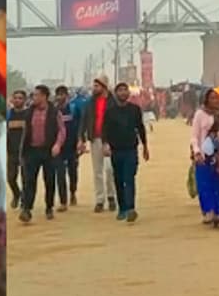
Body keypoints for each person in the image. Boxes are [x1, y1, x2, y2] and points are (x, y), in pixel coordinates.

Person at [102, 82, 149, 222]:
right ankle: (122, 208)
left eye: (125, 90)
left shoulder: (134, 110)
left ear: (128, 93)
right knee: (118, 179)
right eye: (120, 91)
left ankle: (130, 208)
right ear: (116, 94)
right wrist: (105, 144)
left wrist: (145, 146)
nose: (123, 93)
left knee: (129, 178)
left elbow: (140, 128)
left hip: (131, 149)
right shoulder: (110, 111)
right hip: (116, 150)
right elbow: (105, 130)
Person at [18, 85, 64, 222]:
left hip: (48, 151)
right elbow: (24, 133)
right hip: (32, 151)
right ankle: (27, 209)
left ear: (44, 96)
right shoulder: (28, 112)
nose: (34, 98)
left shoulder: (55, 112)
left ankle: (49, 207)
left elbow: (62, 130)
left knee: (49, 180)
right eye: (33, 95)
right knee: (29, 181)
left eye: (37, 95)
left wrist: (58, 144)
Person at [191, 88, 219, 227]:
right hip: (204, 154)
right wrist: (196, 152)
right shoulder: (200, 114)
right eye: (212, 98)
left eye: (217, 98)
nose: (215, 100)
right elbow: (194, 135)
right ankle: (209, 211)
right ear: (206, 99)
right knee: (205, 184)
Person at [80, 75, 118, 213]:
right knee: (97, 171)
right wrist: (81, 138)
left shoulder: (113, 102)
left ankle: (111, 196)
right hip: (95, 138)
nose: (93, 88)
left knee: (109, 170)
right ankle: (100, 200)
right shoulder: (90, 102)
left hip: (110, 140)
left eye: (96, 86)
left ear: (104, 86)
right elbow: (84, 120)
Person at [53, 85, 81, 212]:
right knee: (60, 174)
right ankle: (63, 201)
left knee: (73, 172)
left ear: (66, 96)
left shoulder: (74, 109)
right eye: (58, 95)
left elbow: (80, 125)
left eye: (62, 94)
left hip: (72, 146)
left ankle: (73, 192)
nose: (60, 97)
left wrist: (81, 141)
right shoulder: (53, 110)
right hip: (59, 147)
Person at [6, 89, 27, 209]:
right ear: (12, 100)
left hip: (25, 152)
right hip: (11, 151)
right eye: (16, 98)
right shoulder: (8, 115)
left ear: (24, 100)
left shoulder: (28, 115)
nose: (18, 100)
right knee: (11, 178)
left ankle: (24, 202)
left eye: (20, 98)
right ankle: (16, 194)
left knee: (25, 179)